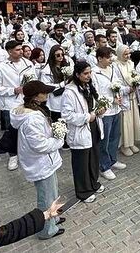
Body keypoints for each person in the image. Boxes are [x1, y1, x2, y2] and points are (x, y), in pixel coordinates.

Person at [7, 81, 65, 240]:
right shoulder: (32, 119)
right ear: (36, 96)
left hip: (46, 162)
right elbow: (39, 145)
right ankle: (46, 230)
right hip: (40, 163)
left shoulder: (33, 110)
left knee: (52, 194)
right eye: (44, 91)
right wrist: (59, 140)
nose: (47, 94)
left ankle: (53, 219)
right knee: (45, 198)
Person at [61, 60, 105, 202]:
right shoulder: (69, 92)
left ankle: (93, 183)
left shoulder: (88, 86)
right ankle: (83, 191)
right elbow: (67, 115)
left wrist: (101, 109)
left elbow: (94, 103)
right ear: (77, 74)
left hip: (93, 127)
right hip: (80, 129)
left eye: (90, 72)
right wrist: (87, 117)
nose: (89, 75)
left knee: (93, 158)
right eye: (85, 73)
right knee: (81, 162)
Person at [0, 40, 35, 171]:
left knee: (28, 129)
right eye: (17, 50)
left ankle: (27, 153)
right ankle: (13, 155)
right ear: (9, 52)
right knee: (12, 130)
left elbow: (34, 80)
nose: (21, 51)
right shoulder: (1, 67)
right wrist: (13, 90)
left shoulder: (28, 63)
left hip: (27, 102)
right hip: (11, 103)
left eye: (21, 49)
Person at [91, 46, 126, 180]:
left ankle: (112, 160)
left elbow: (117, 84)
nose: (111, 59)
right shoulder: (94, 73)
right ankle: (104, 166)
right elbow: (96, 94)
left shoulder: (112, 69)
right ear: (100, 58)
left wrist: (122, 92)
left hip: (116, 109)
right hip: (105, 112)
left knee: (115, 136)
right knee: (104, 140)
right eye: (108, 57)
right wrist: (112, 100)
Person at [114, 44, 140, 156]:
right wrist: (126, 89)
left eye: (129, 53)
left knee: (133, 120)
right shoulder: (115, 66)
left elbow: (134, 75)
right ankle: (124, 145)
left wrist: (136, 83)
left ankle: (131, 142)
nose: (128, 56)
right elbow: (115, 83)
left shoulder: (131, 63)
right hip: (124, 97)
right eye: (125, 54)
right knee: (125, 122)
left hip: (133, 96)